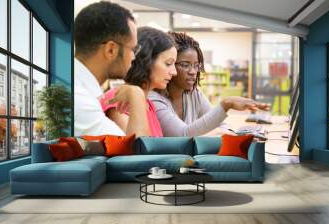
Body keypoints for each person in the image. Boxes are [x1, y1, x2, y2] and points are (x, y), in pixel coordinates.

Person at [149, 31, 270, 137]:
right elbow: (183, 134)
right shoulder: (153, 100)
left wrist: (229, 134)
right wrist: (226, 105)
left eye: (196, 65)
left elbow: (220, 123)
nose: (193, 72)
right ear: (170, 64)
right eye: (185, 65)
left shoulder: (193, 93)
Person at [74, 2, 149, 137]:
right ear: (111, 50)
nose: (133, 57)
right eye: (133, 49)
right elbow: (137, 153)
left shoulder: (80, 89)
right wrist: (136, 94)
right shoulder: (79, 101)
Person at [100, 27, 177, 137]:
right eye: (168, 63)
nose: (174, 72)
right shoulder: (117, 99)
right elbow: (137, 148)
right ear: (146, 60)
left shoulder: (149, 104)